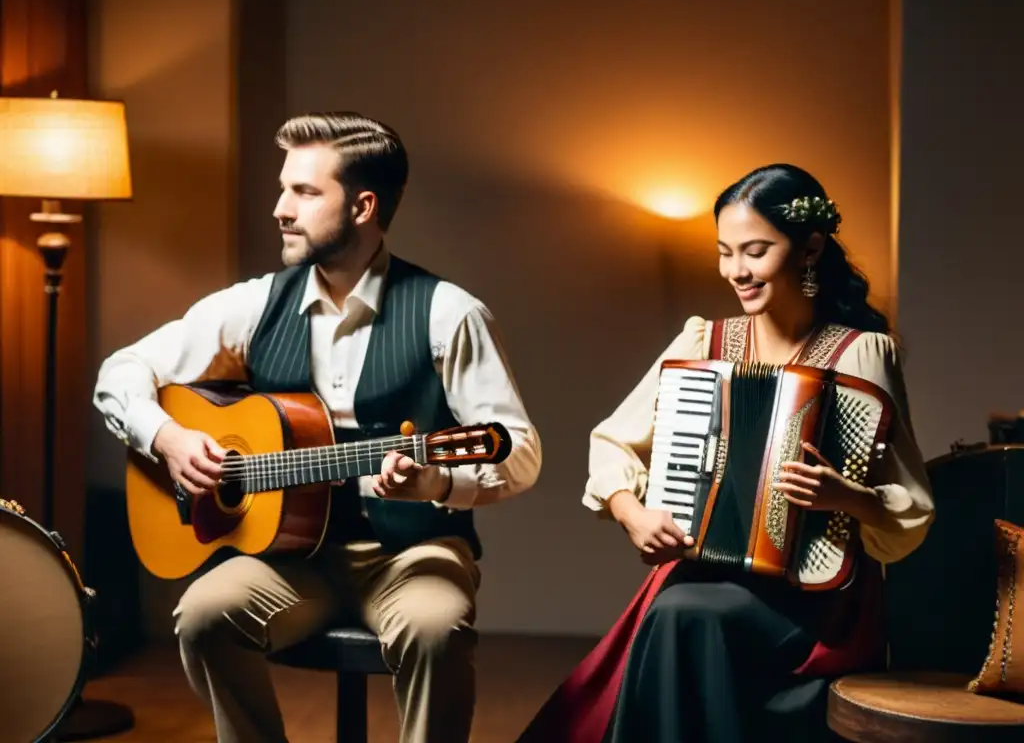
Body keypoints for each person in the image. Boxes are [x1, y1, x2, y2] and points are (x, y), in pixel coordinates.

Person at [94, 112, 542, 743]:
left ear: (363, 206)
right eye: (284, 188)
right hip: (288, 557)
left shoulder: (449, 312)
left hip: (411, 553)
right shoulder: (255, 304)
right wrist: (165, 437)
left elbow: (518, 451)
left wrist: (440, 482)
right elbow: (120, 373)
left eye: (305, 192)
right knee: (202, 615)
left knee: (435, 630)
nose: (281, 208)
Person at [516, 163, 933, 743]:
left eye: (755, 251)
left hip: (815, 598)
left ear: (810, 248)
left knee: (682, 614)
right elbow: (613, 439)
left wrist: (846, 495)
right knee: (681, 609)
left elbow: (910, 502)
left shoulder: (862, 355)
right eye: (724, 251)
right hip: (704, 572)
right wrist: (631, 512)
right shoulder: (702, 343)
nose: (735, 271)